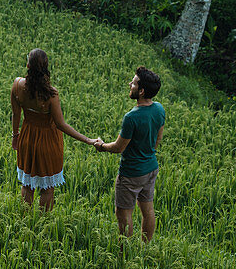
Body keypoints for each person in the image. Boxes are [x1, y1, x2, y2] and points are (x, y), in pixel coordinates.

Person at [11, 48, 97, 211]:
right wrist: (88, 140)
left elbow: (16, 114)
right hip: (48, 143)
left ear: (28, 65)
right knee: (47, 188)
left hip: (27, 138)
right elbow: (61, 125)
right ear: (46, 67)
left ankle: (24, 221)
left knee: (27, 184)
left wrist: (15, 136)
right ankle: (42, 223)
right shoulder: (51, 94)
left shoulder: (17, 85)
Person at [94, 66, 165, 242]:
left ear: (141, 91)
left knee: (123, 214)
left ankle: (124, 253)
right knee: (147, 210)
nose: (129, 84)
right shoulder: (159, 109)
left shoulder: (131, 117)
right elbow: (157, 140)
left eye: (133, 83)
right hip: (151, 168)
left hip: (131, 173)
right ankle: (145, 246)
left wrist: (101, 145)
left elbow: (119, 147)